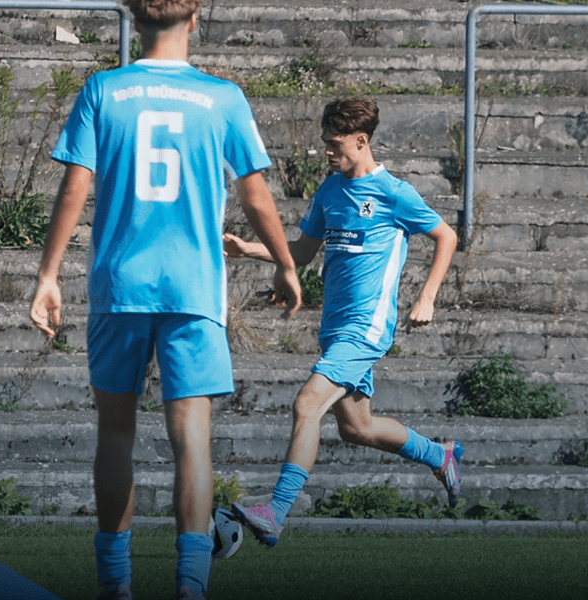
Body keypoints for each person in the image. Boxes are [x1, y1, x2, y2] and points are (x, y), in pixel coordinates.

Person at [28, 0, 302, 597]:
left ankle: (116, 586)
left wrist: (48, 274)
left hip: (120, 285)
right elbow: (255, 197)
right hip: (193, 288)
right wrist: (284, 262)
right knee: (192, 442)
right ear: (196, 19)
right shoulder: (223, 97)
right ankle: (190, 586)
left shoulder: (104, 88)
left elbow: (76, 186)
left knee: (116, 437)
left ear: (132, 18)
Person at [223, 96, 461, 547]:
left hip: (366, 328)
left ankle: (275, 512)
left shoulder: (393, 192)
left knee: (306, 406)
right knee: (357, 429)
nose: (326, 152)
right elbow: (301, 253)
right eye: (324, 143)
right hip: (334, 328)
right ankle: (440, 455)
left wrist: (426, 297)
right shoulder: (330, 192)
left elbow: (445, 235)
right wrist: (250, 250)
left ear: (361, 140)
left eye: (334, 144)